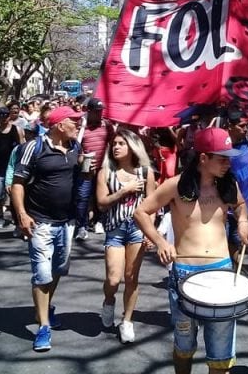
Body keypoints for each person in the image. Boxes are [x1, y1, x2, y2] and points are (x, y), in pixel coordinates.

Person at [133, 127, 248, 374]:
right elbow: (141, 212)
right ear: (203, 158)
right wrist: (160, 241)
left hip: (221, 270)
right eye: (221, 158)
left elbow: (240, 205)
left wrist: (242, 221)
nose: (227, 163)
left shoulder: (228, 184)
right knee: (184, 345)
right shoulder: (176, 185)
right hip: (185, 273)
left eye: (228, 158)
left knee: (221, 353)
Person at [11, 104, 84, 352]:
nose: (78, 124)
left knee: (57, 271)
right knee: (42, 274)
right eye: (73, 121)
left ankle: (46, 307)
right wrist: (22, 214)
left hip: (67, 223)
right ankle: (43, 326)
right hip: (39, 223)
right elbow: (18, 183)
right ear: (59, 125)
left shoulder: (75, 147)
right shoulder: (34, 147)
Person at [96, 128, 156, 344]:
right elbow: (101, 203)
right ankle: (109, 300)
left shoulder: (146, 172)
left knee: (131, 277)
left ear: (132, 147)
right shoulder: (106, 172)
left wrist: (152, 232)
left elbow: (153, 204)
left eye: (121, 143)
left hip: (137, 229)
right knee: (113, 278)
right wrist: (124, 190)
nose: (116, 147)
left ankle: (127, 321)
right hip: (115, 229)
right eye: (115, 144)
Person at [224, 113, 248, 259]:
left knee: (236, 242)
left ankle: (234, 273)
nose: (246, 129)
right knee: (219, 243)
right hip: (219, 206)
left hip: (241, 208)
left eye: (247, 125)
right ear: (230, 126)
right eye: (241, 126)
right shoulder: (220, 147)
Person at [75, 97, 114, 240]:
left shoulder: (106, 125)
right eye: (96, 111)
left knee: (101, 196)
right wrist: (83, 127)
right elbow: (75, 145)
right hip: (85, 169)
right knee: (83, 197)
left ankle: (98, 221)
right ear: (88, 111)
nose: (99, 114)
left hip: (102, 168)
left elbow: (113, 142)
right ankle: (82, 226)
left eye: (101, 111)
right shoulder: (80, 125)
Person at [0, 106, 25, 229]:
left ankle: (17, 221)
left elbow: (22, 147)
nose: (3, 118)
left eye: (6, 115)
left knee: (15, 195)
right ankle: (0, 217)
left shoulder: (17, 130)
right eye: (0, 116)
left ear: (10, 116)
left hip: (14, 168)